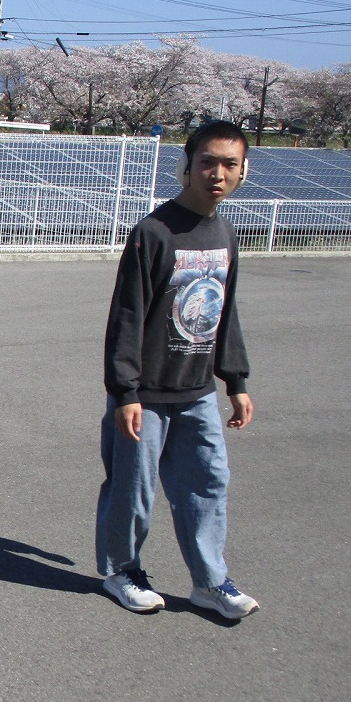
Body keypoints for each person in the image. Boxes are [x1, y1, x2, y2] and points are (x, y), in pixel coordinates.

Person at [95, 120, 260, 619]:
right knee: (133, 490)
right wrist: (126, 391)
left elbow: (224, 311)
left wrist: (236, 380)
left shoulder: (225, 233)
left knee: (208, 484)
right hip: (145, 393)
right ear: (186, 166)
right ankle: (122, 571)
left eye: (229, 164)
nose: (217, 174)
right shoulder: (154, 232)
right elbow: (127, 315)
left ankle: (209, 582)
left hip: (197, 391)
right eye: (207, 162)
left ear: (243, 171)